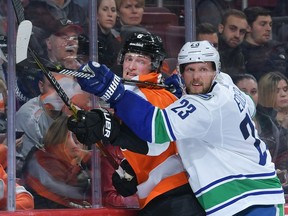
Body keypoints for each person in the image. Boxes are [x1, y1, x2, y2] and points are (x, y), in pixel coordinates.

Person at [69, 40, 285, 215]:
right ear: (180, 72)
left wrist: (113, 92)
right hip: (252, 194)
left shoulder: (204, 105)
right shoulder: (227, 85)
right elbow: (249, 106)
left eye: (203, 69)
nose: (197, 77)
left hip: (244, 200)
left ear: (215, 71)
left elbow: (155, 128)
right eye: (190, 70)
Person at [100, 32, 204, 215]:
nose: (131, 67)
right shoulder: (154, 94)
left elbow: (156, 145)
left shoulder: (142, 96)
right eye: (128, 58)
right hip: (173, 195)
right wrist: (131, 168)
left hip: (174, 200)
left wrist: (114, 133)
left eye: (140, 61)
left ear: (154, 65)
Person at [21, 115, 92, 209]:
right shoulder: (44, 161)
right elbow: (57, 200)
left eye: (82, 136)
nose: (78, 141)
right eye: (73, 136)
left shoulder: (75, 162)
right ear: (61, 137)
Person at [241, 6, 288, 81]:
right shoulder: (239, 53)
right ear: (248, 27)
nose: (269, 29)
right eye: (263, 24)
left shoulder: (279, 48)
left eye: (270, 24)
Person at [218, 9, 248, 75]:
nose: (237, 35)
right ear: (221, 28)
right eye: (232, 29)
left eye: (242, 31)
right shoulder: (210, 51)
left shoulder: (242, 55)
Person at [97, 0, 121, 68]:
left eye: (113, 10)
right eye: (105, 9)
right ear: (96, 14)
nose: (110, 14)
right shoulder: (88, 39)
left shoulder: (116, 43)